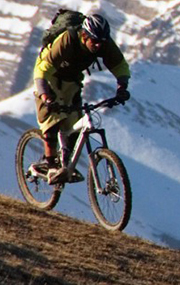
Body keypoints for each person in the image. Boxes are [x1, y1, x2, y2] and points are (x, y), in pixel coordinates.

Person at [31, 13, 131, 183]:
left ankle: (66, 165)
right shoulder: (67, 40)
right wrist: (46, 96)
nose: (99, 45)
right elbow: (42, 71)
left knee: (74, 125)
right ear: (84, 36)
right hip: (49, 77)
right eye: (95, 41)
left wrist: (122, 88)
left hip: (72, 79)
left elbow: (120, 65)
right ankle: (52, 167)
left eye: (102, 41)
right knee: (52, 122)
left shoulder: (104, 42)